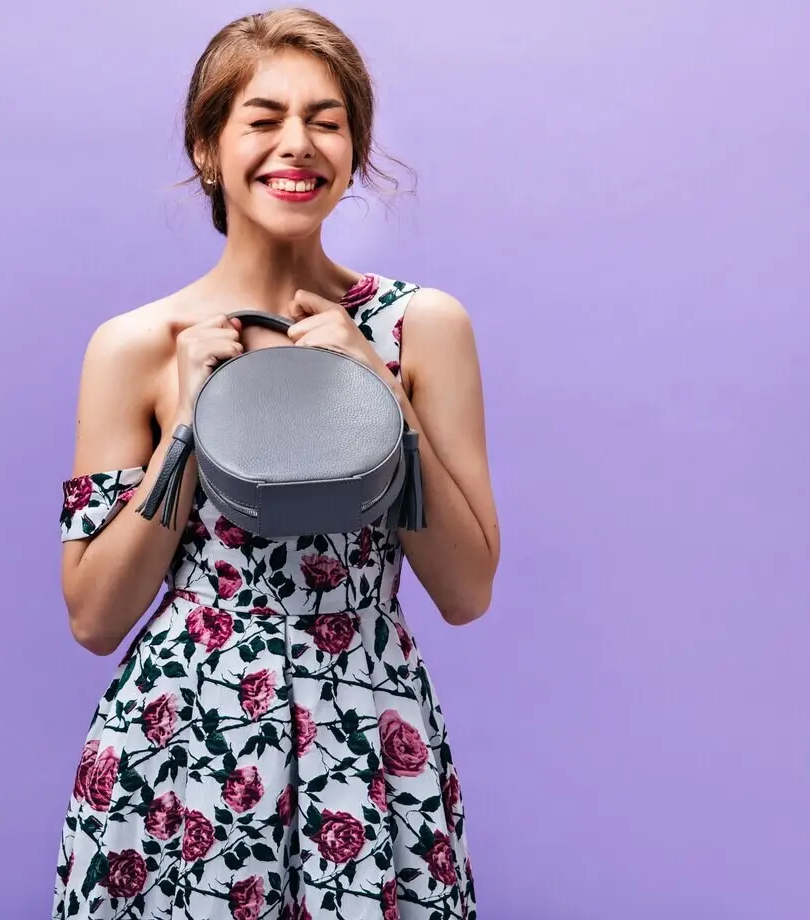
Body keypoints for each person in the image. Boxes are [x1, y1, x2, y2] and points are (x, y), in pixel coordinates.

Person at [52, 8, 500, 919]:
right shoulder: (135, 347)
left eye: (326, 120)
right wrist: (186, 431)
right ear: (209, 149)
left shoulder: (424, 329)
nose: (296, 144)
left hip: (370, 740)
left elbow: (467, 590)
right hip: (181, 743)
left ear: (355, 149)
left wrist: (383, 389)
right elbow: (95, 618)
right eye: (263, 118)